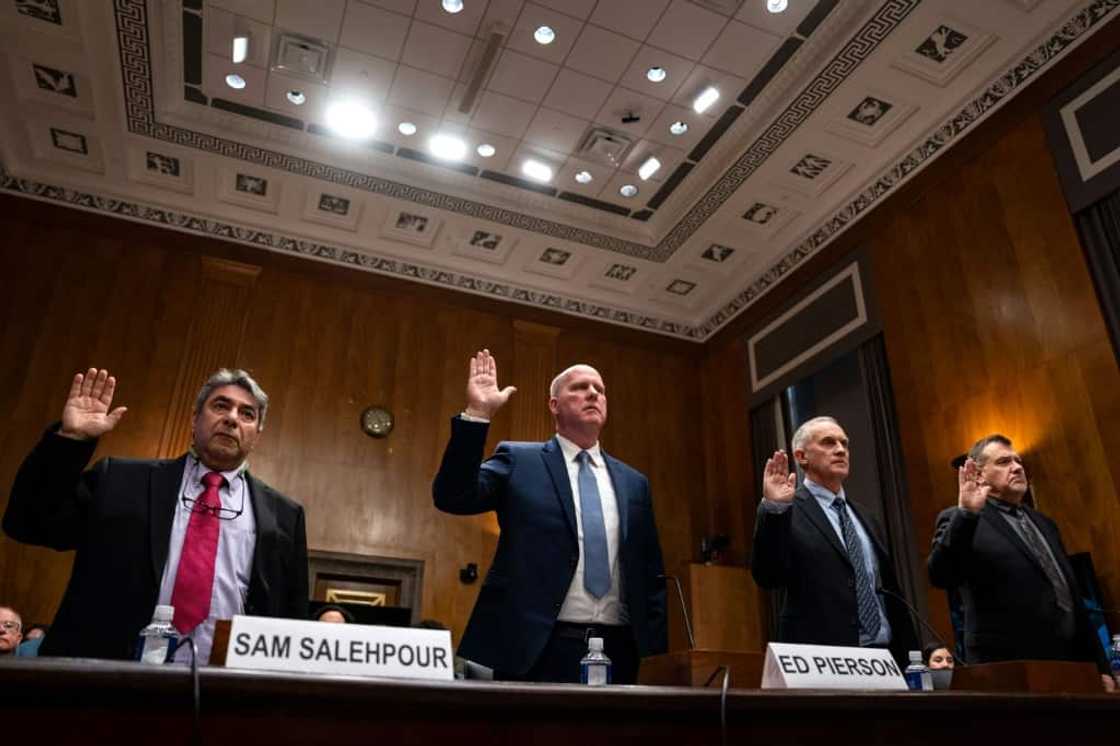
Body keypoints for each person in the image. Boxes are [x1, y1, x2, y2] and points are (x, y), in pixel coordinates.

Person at [3, 368, 309, 663]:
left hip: (228, 692)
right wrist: (70, 440)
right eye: (221, 406)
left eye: (247, 414)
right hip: (110, 683)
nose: (232, 419)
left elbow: (292, 622)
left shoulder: (284, 517)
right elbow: (29, 523)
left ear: (256, 434)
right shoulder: (121, 482)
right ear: (194, 419)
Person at [432, 350, 667, 683]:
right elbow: (451, 496)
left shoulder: (634, 483)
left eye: (600, 389)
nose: (593, 394)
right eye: (580, 387)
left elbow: (651, 574)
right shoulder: (519, 461)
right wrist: (477, 414)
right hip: (535, 649)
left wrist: (657, 655)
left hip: (621, 650)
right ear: (554, 405)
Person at [750, 416, 918, 664]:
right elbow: (768, 576)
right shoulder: (787, 510)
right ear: (801, 456)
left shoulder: (865, 516)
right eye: (828, 443)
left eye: (844, 443)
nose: (840, 449)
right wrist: (775, 509)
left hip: (885, 656)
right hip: (824, 657)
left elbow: (890, 589)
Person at [928, 434, 1102, 666]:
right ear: (979, 475)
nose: (1017, 467)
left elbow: (1071, 596)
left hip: (1070, 659)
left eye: (1018, 461)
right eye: (1004, 462)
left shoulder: (1045, 523)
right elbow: (940, 575)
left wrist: (1100, 665)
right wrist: (966, 515)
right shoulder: (960, 519)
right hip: (1009, 663)